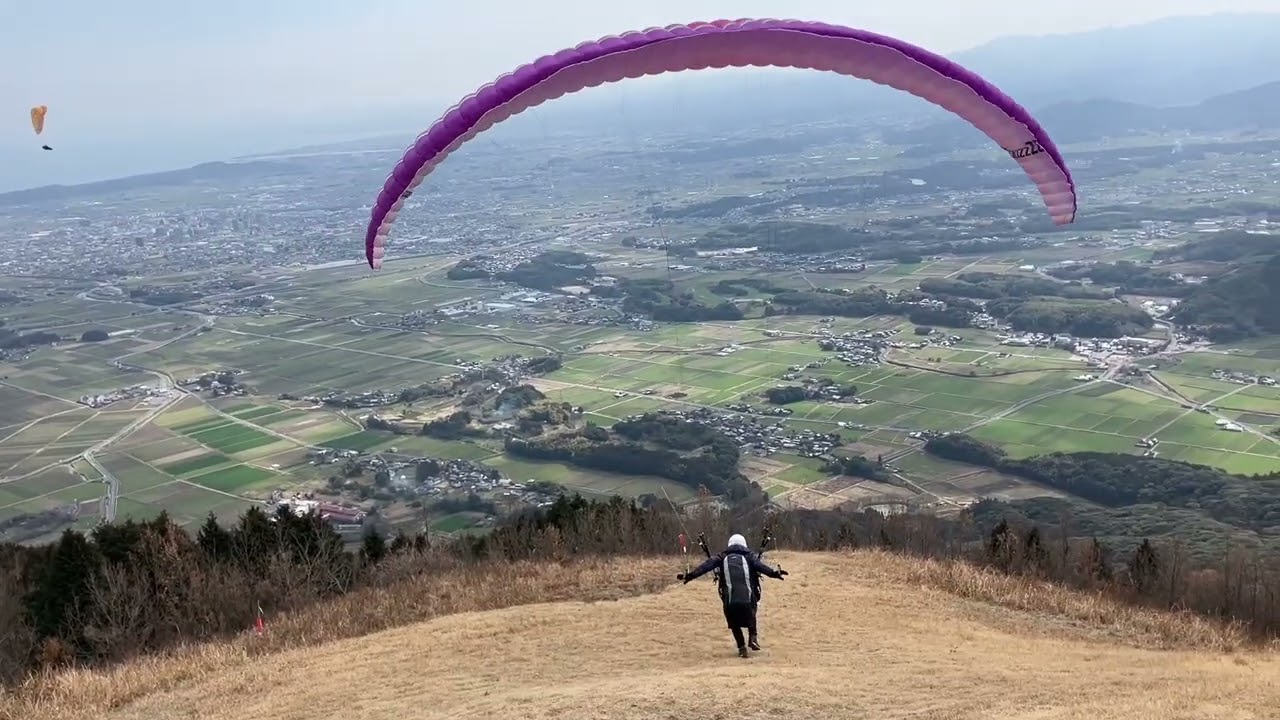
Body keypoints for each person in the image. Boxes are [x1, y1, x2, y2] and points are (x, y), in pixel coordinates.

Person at [678, 533, 787, 658]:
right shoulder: (749, 556)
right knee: (751, 612)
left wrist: (690, 576)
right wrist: (775, 574)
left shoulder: (722, 556)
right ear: (744, 544)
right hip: (748, 598)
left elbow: (705, 567)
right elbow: (761, 567)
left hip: (730, 600)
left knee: (734, 623)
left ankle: (741, 647)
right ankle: (753, 637)